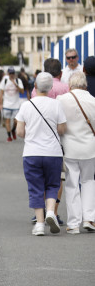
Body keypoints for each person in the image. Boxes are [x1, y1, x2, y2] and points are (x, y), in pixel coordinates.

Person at [15, 72, 67, 236]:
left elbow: (20, 132)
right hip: (53, 152)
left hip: (32, 153)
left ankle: (39, 224)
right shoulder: (57, 104)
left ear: (35, 87)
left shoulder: (26, 105)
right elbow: (62, 129)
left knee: (36, 187)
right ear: (51, 87)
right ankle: (51, 211)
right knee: (53, 184)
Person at [56, 73, 95, 234]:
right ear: (85, 85)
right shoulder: (93, 100)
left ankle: (73, 223)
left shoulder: (61, 99)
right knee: (88, 181)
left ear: (70, 85)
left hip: (69, 147)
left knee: (72, 184)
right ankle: (89, 218)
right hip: (90, 147)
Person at [0, 68, 23, 142]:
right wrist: (0, 103)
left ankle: (13, 130)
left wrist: (15, 84)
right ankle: (9, 136)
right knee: (7, 121)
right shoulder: (5, 81)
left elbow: (22, 91)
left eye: (13, 73)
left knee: (16, 121)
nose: (11, 75)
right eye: (10, 73)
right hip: (6, 104)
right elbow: (1, 92)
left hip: (16, 104)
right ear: (8, 74)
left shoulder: (18, 81)